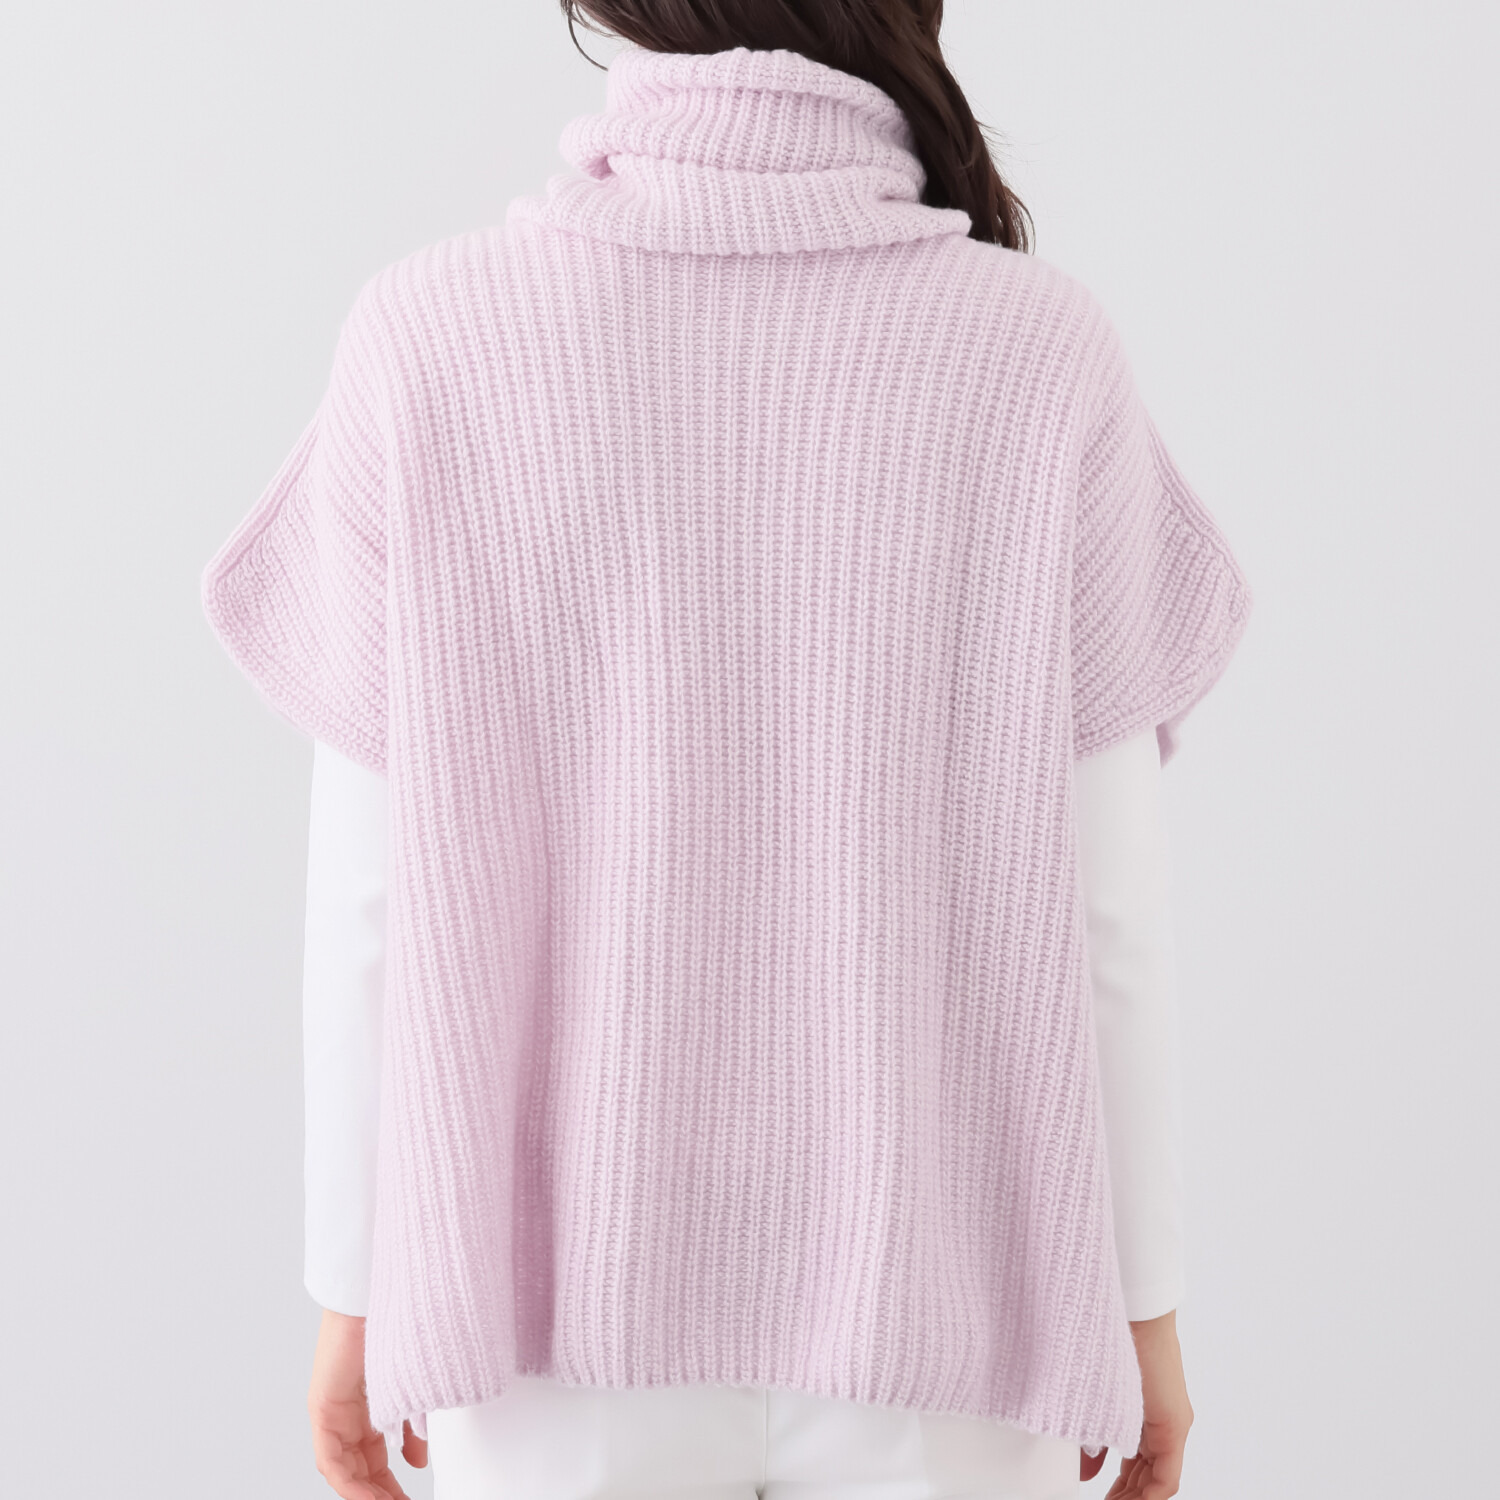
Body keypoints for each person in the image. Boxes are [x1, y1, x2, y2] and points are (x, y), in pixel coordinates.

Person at [200, 3, 1251, 1498]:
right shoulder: (1038, 353)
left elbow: (369, 906)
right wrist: (1141, 1311)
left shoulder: (430, 337)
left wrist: (354, 1293)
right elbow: (1110, 915)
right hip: (947, 1329)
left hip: (549, 1338)